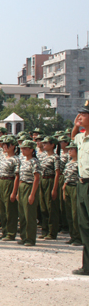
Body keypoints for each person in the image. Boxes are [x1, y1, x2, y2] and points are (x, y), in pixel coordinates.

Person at [71, 104, 89, 274]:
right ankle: (87, 266)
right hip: (82, 183)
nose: (79, 118)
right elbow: (72, 136)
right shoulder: (81, 138)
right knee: (84, 226)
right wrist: (76, 125)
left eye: (82, 115)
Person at [16, 140, 41, 247]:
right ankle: (23, 236)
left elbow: (36, 178)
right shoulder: (22, 160)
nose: (22, 150)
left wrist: (32, 194)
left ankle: (30, 238)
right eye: (22, 148)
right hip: (22, 186)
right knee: (22, 214)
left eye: (25, 148)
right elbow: (20, 177)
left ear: (31, 149)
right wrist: (18, 191)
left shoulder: (34, 161)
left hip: (30, 186)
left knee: (29, 214)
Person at [62, 143, 82, 246]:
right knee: (69, 213)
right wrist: (64, 187)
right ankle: (72, 236)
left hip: (76, 187)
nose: (69, 151)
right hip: (68, 187)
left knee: (75, 214)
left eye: (72, 149)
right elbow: (66, 176)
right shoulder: (69, 163)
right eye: (68, 149)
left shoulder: (80, 163)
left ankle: (78, 237)